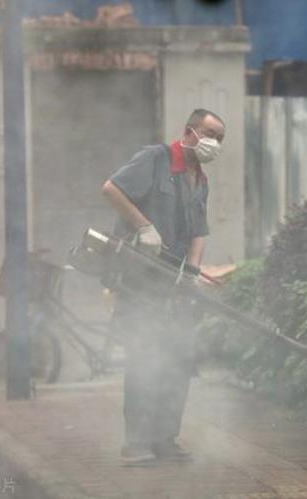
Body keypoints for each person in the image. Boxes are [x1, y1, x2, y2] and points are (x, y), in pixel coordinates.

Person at [101, 108, 225, 466]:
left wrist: (194, 271)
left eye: (220, 138)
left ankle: (165, 439)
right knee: (145, 357)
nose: (214, 143)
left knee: (178, 358)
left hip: (176, 285)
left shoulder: (200, 179)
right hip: (141, 282)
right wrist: (143, 226)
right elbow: (111, 188)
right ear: (189, 132)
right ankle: (135, 443)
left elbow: (200, 231)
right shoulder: (155, 158)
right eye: (210, 133)